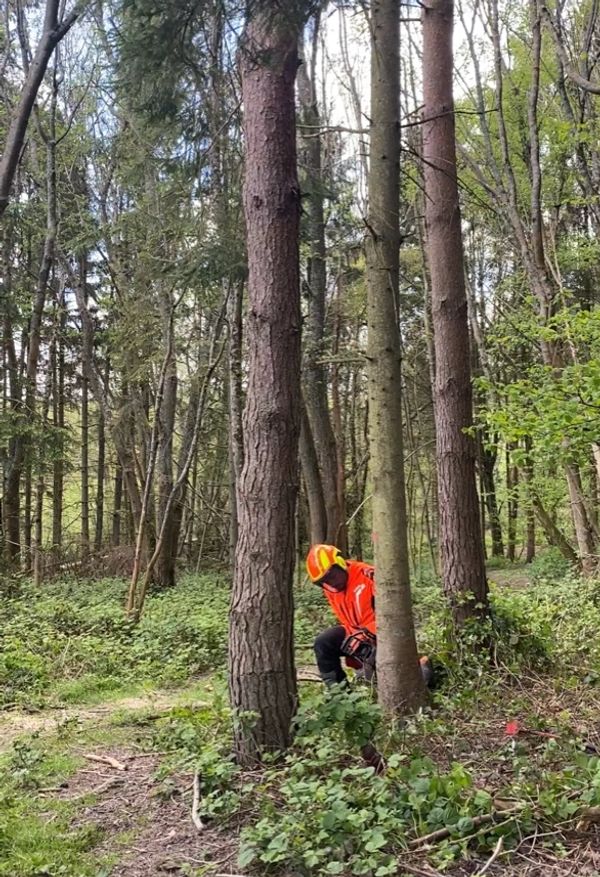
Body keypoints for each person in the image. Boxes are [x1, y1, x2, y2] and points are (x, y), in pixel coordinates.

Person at [306, 543, 433, 687]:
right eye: (324, 581)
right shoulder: (330, 589)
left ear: (340, 563)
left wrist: (368, 633)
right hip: (357, 634)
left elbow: (395, 615)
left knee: (418, 676)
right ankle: (339, 694)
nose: (331, 583)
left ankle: (415, 666)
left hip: (384, 636)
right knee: (324, 643)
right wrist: (356, 636)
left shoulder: (368, 576)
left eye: (332, 576)